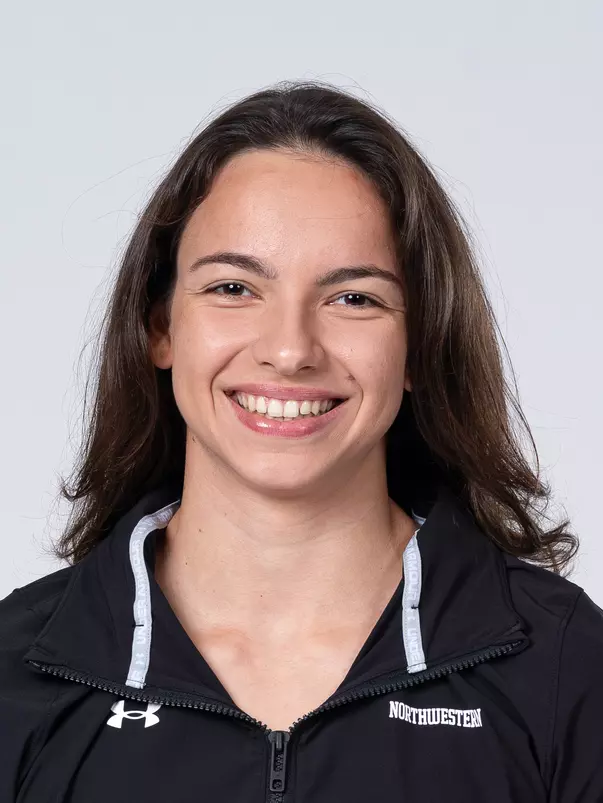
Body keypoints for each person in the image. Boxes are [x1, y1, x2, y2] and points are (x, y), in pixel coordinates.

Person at [1, 80, 601, 803]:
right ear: (160, 327)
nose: (289, 351)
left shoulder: (568, 670)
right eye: (233, 288)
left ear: (418, 345)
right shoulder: (17, 677)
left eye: (353, 298)